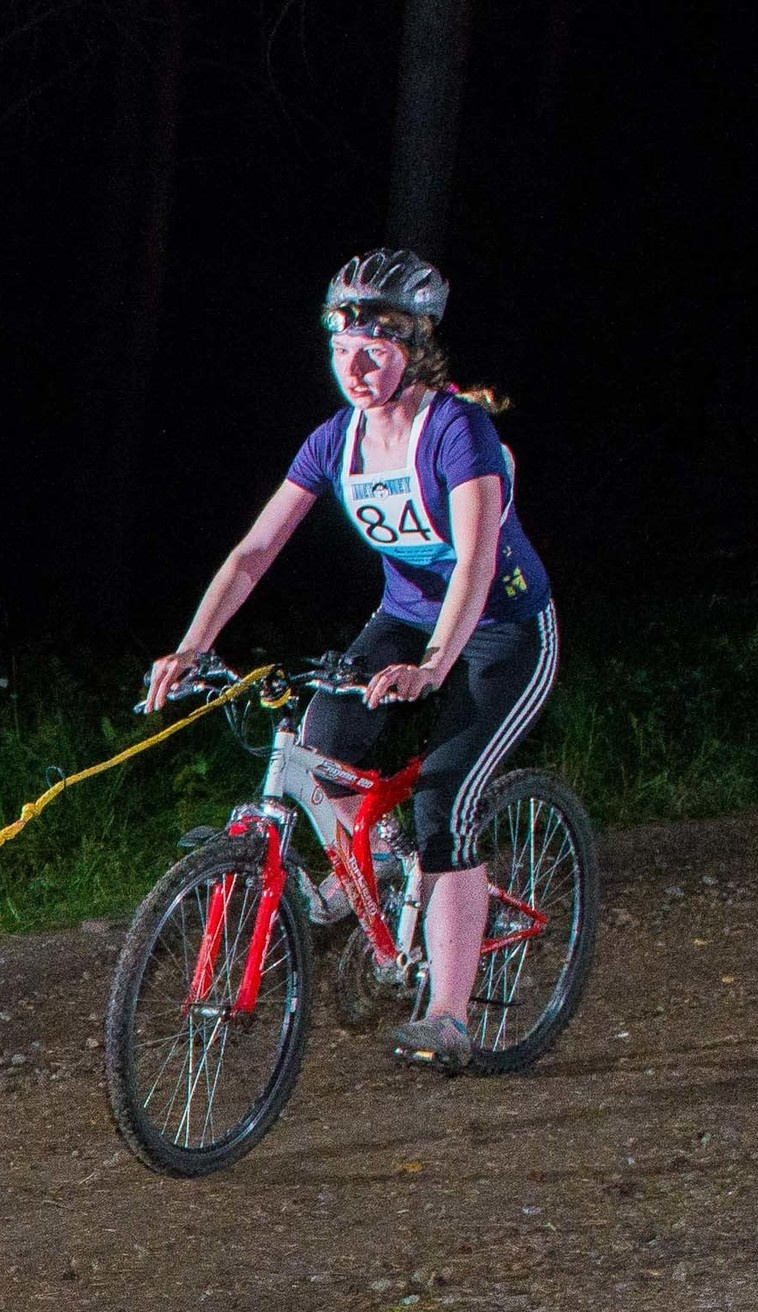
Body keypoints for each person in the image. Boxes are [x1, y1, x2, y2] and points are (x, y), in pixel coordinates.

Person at [143, 249, 557, 1070]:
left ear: (416, 349)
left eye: (375, 349)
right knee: (318, 740)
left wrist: (437, 666)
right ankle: (387, 865)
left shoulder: (457, 430)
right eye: (342, 350)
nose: (356, 367)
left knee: (446, 797)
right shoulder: (335, 440)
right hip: (406, 619)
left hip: (504, 628)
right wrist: (194, 645)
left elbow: (474, 562)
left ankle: (448, 1012)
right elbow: (256, 550)